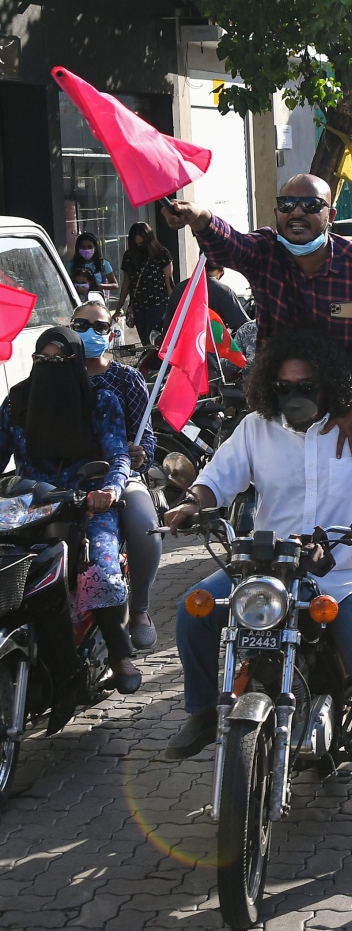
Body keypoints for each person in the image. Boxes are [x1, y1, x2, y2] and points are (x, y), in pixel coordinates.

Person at [162, 331, 352, 848]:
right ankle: (200, 711)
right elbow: (218, 478)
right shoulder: (257, 427)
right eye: (282, 385)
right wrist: (193, 504)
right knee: (195, 613)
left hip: (343, 573)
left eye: (305, 384)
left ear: (329, 384)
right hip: (267, 568)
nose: (292, 393)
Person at [161, 175, 352, 461]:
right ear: (277, 212)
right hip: (284, 410)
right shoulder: (264, 252)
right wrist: (198, 216)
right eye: (287, 203)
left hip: (349, 415)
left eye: (311, 205)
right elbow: (229, 245)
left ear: (331, 214)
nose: (297, 212)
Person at [0, 328, 138, 701]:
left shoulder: (100, 400)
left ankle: (120, 654)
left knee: (101, 567)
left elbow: (118, 455)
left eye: (58, 361)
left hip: (85, 501)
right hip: (28, 507)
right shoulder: (16, 403)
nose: (50, 368)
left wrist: (109, 490)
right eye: (42, 361)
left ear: (75, 361)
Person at [74, 303, 162, 650]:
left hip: (119, 475)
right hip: (65, 481)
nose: (90, 331)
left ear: (112, 333)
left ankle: (138, 608)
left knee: (144, 528)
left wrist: (139, 455)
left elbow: (148, 438)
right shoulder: (54, 379)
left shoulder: (126, 379)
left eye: (99, 326)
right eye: (81, 324)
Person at [118, 222, 175, 346]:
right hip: (138, 305)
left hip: (158, 304)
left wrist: (175, 306)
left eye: (142, 244)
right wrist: (119, 307)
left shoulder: (161, 254)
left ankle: (157, 364)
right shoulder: (129, 256)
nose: (139, 247)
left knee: (155, 341)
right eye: (136, 244)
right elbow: (126, 283)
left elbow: (169, 282)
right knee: (145, 342)